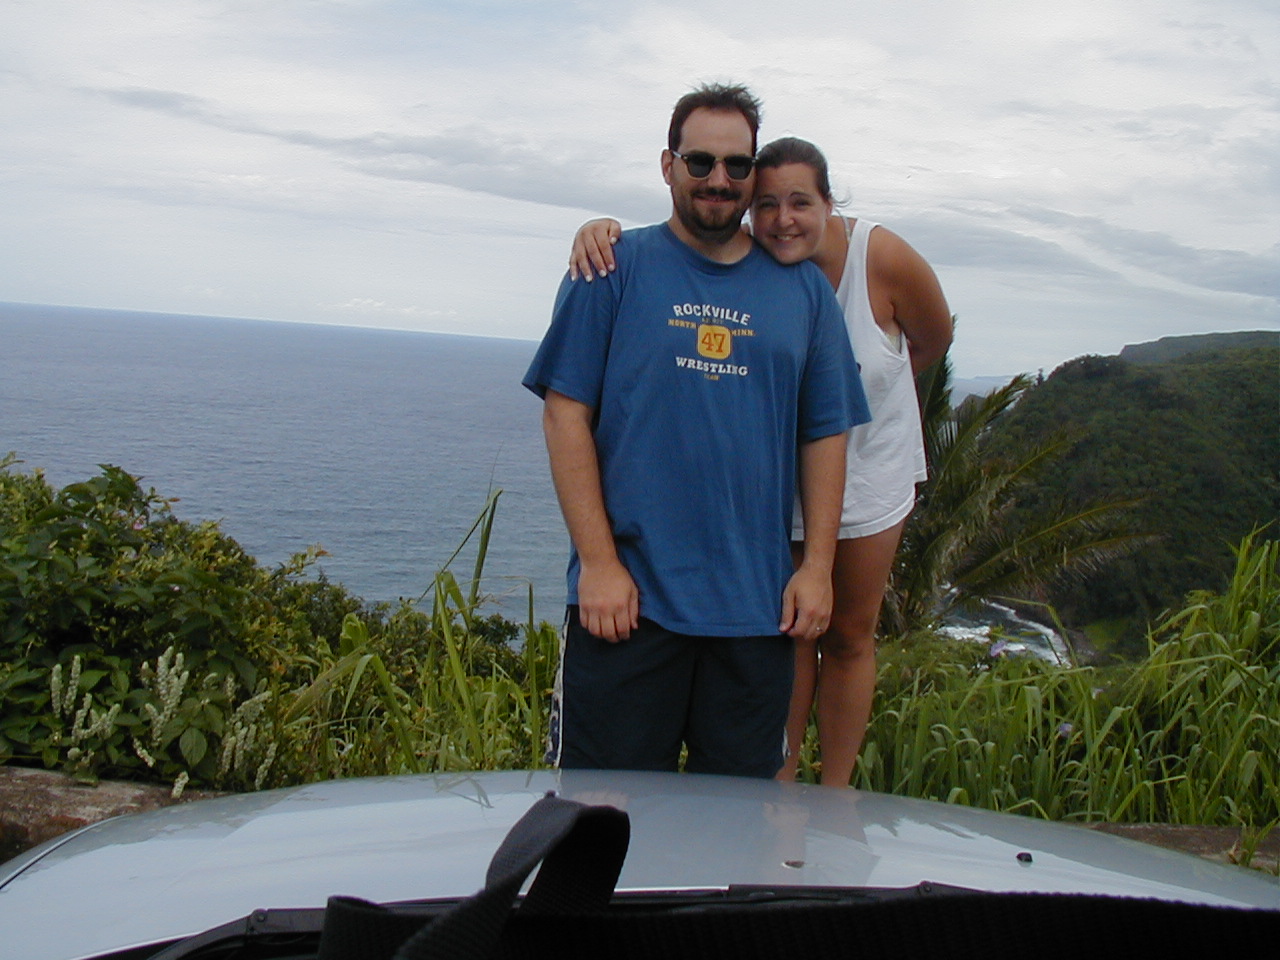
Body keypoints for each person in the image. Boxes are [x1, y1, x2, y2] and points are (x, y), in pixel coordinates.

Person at [569, 136, 952, 786]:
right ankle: (782, 784)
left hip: (869, 467)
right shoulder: (762, 272)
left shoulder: (878, 257)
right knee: (791, 629)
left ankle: (835, 792)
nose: (782, 220)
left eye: (800, 203)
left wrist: (874, 393)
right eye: (767, 204)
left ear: (829, 203)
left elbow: (933, 337)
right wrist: (597, 229)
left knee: (850, 632)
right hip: (781, 479)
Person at [523, 86, 870, 780]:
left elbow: (824, 434)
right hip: (626, 606)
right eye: (700, 161)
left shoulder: (803, 293)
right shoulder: (610, 268)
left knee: (740, 824)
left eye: (737, 165)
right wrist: (598, 564)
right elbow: (565, 415)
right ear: (668, 165)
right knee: (601, 818)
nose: (719, 179)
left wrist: (816, 569)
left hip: (756, 615)